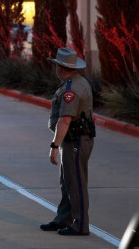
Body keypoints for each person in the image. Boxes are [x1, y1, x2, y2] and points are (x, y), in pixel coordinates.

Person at [40, 47, 95, 236]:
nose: (55, 68)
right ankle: (64, 218)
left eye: (56, 65)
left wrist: (54, 146)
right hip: (73, 140)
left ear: (61, 68)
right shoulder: (74, 82)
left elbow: (65, 120)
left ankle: (80, 225)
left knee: (76, 183)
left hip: (76, 140)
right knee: (67, 181)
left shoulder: (71, 89)